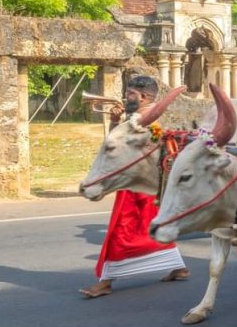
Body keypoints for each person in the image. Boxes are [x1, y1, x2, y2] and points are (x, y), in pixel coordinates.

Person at [79, 75, 188, 298]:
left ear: (145, 97)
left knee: (121, 230)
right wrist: (114, 121)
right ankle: (178, 267)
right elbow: (114, 144)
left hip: (138, 185)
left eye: (131, 94)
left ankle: (106, 280)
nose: (125, 97)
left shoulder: (147, 119)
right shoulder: (136, 118)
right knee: (146, 228)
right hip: (132, 182)